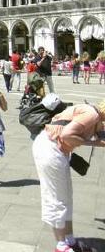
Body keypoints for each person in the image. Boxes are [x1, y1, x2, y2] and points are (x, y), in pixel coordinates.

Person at [32, 101, 105, 252]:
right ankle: (61, 245)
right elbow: (67, 135)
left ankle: (69, 240)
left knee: (66, 197)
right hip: (50, 150)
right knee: (57, 199)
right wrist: (95, 142)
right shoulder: (92, 114)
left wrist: (95, 138)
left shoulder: (91, 111)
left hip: (52, 148)